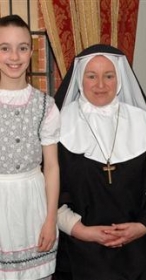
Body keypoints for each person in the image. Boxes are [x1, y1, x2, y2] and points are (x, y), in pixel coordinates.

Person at [53, 44, 146, 280]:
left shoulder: (144, 122)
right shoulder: (59, 124)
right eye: (92, 76)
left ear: (119, 79)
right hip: (81, 245)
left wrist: (142, 227)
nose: (100, 85)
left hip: (139, 243)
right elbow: (51, 192)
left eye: (108, 76)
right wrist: (82, 231)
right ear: (81, 79)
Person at [0, 15, 60, 280]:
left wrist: (50, 219)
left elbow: (52, 167)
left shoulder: (45, 106)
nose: (15, 56)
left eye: (23, 47)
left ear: (31, 52)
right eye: (5, 48)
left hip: (33, 206)